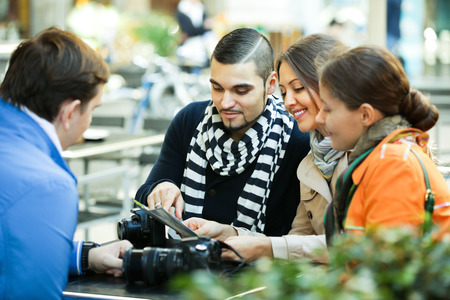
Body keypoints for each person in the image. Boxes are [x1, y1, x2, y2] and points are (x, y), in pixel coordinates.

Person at [181, 34, 349, 262]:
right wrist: (231, 233)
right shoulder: (314, 157)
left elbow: (361, 244)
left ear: (334, 87)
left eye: (298, 88)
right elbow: (298, 236)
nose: (288, 101)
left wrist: (266, 247)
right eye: (284, 91)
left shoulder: (373, 153)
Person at [135, 27, 310, 238]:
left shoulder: (296, 141)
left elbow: (295, 241)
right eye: (217, 88)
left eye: (241, 91)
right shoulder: (189, 120)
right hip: (183, 264)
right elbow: (144, 194)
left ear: (271, 84)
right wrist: (162, 187)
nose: (225, 102)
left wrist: (233, 236)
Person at [0, 27, 132, 299]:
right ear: (70, 112)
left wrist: (85, 256)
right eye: (93, 109)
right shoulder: (46, 184)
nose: (89, 122)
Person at [315, 45, 450, 242]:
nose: (319, 118)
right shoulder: (386, 157)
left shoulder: (394, 164)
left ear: (365, 114)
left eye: (327, 109)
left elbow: (388, 268)